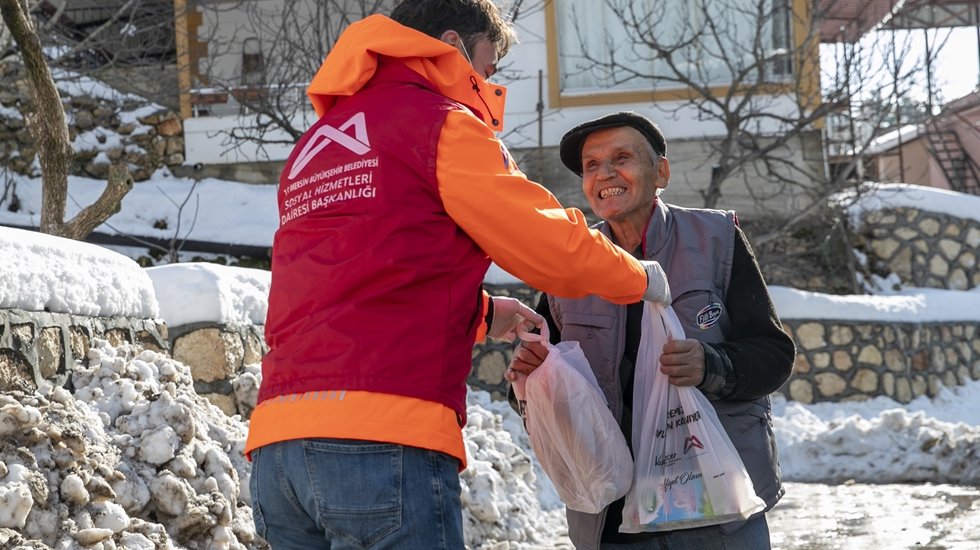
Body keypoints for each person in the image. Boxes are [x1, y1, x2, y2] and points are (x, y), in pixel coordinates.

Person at [245, 3, 672, 548]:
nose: (486, 86)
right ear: (452, 45)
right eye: (486, 69)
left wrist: (486, 315)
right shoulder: (438, 122)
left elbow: (352, 278)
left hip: (278, 447)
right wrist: (638, 276)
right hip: (381, 439)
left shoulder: (317, 144)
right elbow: (546, 245)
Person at [508, 111, 796, 550]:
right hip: (613, 519)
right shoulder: (569, 263)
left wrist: (712, 366)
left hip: (715, 509)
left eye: (622, 158)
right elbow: (544, 385)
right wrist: (530, 379)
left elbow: (774, 356)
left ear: (661, 172)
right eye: (591, 165)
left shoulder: (716, 238)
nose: (605, 174)